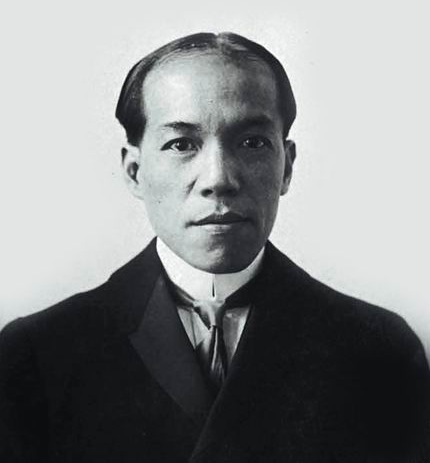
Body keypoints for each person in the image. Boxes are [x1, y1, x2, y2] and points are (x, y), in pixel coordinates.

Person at [0, 32, 429, 463]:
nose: (218, 178)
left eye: (252, 143)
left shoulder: (380, 352)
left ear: (286, 167)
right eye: (182, 145)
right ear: (134, 171)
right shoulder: (36, 356)